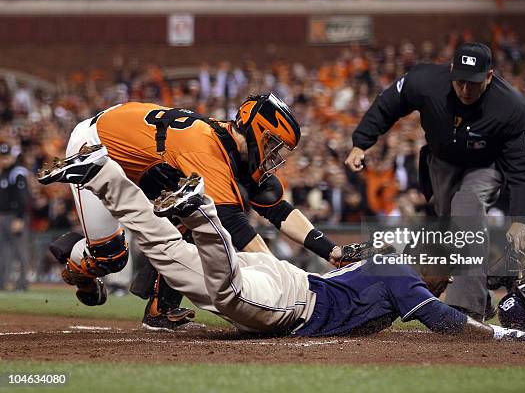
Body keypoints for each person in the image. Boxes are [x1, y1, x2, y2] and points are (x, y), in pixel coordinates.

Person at [37, 144, 525, 342]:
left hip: (290, 282)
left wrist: (505, 290)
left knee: (172, 257)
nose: (439, 280)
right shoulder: (402, 276)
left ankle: (104, 174)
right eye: (441, 273)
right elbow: (445, 322)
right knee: (226, 292)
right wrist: (506, 334)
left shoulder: (391, 266)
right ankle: (200, 210)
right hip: (290, 302)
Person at [46, 94, 375, 331]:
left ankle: (161, 308)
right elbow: (234, 226)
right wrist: (287, 282)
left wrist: (330, 250)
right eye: (273, 144)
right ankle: (75, 258)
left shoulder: (231, 146)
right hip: (96, 147)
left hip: (135, 152)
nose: (275, 156)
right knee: (111, 257)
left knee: (191, 213)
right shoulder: (208, 146)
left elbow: (279, 211)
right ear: (256, 130)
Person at [345, 43, 525, 321]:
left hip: (486, 164)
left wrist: (521, 219)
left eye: (473, 83)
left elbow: (524, 165)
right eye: (460, 81)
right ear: (451, 71)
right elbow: (388, 104)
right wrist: (360, 143)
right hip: (442, 162)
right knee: (452, 231)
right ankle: (488, 291)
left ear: (489, 76)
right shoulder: (424, 81)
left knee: (467, 206)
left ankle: (465, 310)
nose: (465, 90)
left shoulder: (513, 106)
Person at [0, 139, 29, 291]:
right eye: (1, 156)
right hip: (3, 216)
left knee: (20, 251)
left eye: (6, 156)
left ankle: (23, 283)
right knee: (4, 251)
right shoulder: (4, 173)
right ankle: (2, 282)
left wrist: (19, 218)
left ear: (12, 157)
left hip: (14, 216)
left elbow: (22, 198)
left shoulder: (17, 172)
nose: (3, 159)